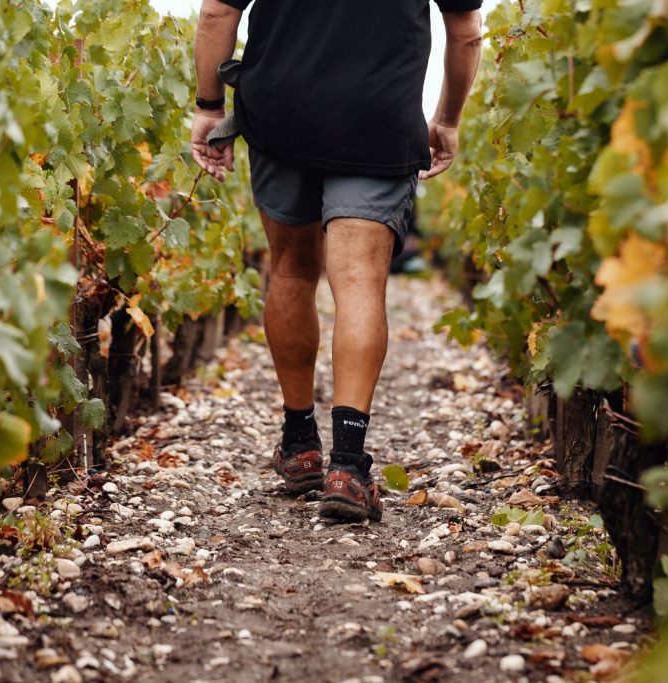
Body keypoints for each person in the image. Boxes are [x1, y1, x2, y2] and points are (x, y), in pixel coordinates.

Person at [191, 0, 483, 522]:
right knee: (360, 284)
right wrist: (447, 119)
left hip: (281, 117)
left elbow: (217, 13)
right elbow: (465, 33)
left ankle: (300, 443)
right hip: (379, 119)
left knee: (290, 270)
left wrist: (209, 106)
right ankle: (348, 467)